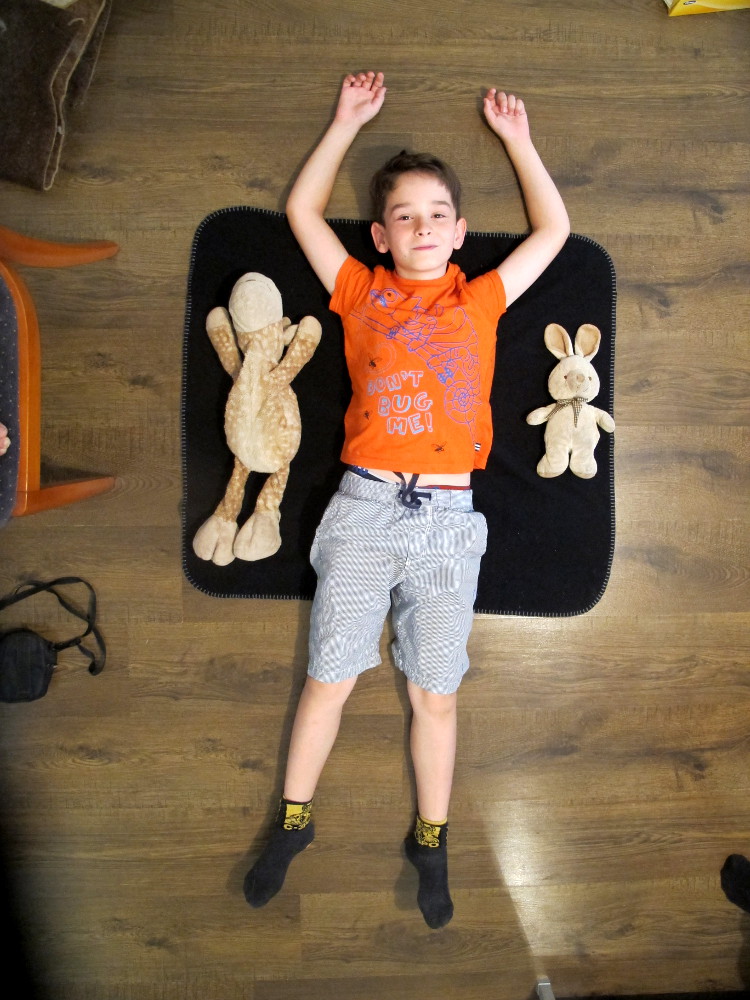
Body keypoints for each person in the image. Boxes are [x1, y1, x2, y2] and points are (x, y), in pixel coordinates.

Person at [243, 71, 570, 928]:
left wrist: (519, 142)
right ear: (382, 237)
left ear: (459, 234)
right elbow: (303, 213)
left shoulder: (480, 298)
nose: (422, 226)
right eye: (404, 216)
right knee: (329, 679)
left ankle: (432, 838)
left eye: (437, 214)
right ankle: (294, 820)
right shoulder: (360, 292)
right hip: (365, 509)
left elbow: (554, 231)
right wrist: (345, 121)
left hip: (451, 522)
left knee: (437, 693)